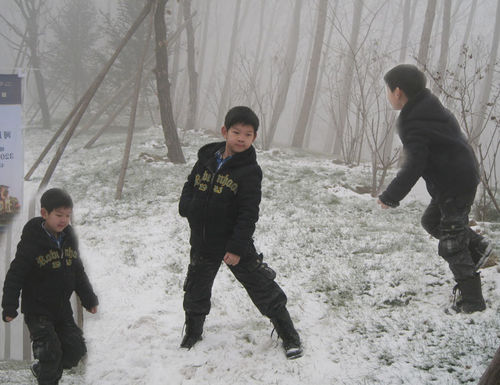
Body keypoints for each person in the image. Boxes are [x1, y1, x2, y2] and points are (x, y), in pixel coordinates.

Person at [178, 106, 303, 359]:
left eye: (248, 134)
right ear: (225, 131)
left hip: (234, 244)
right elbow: (191, 184)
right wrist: (187, 207)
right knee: (195, 289)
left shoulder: (249, 171)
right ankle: (193, 332)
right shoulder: (206, 159)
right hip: (203, 241)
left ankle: (288, 334)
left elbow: (248, 213)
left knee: (262, 287)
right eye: (236, 132)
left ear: (254, 137)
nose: (241, 138)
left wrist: (236, 248)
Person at [377, 64, 497, 314]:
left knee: (451, 244)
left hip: (454, 184)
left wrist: (391, 196)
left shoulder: (414, 121)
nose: (388, 95)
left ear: (398, 91)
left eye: (388, 90)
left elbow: (414, 166)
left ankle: (473, 300)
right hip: (458, 179)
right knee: (431, 221)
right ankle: (478, 247)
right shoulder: (429, 108)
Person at [1, 188, 98, 384]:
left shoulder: (69, 237)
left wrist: (89, 299)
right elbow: (16, 273)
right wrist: (10, 305)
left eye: (68, 215)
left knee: (75, 350)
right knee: (50, 353)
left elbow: (77, 271)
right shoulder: (32, 241)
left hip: (62, 310)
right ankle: (47, 373)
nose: (64, 220)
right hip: (38, 310)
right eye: (59, 215)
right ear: (44, 213)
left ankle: (42, 368)